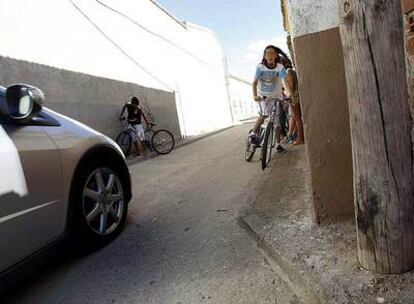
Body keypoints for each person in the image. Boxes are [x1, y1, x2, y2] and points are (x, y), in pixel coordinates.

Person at [250, 45, 288, 153]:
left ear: (276, 56)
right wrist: (255, 95)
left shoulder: (280, 67)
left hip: (276, 97)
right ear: (265, 56)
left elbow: (286, 82)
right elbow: (254, 83)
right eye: (267, 53)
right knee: (265, 114)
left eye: (272, 53)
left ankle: (278, 144)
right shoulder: (260, 67)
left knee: (277, 124)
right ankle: (253, 133)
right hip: (264, 97)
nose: (270, 55)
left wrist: (290, 96)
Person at [280, 57, 304, 145]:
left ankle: (300, 138)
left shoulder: (288, 71)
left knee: (297, 119)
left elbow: (292, 86)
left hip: (294, 98)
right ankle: (297, 136)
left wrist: (289, 97)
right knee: (296, 118)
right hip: (295, 97)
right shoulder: (290, 71)